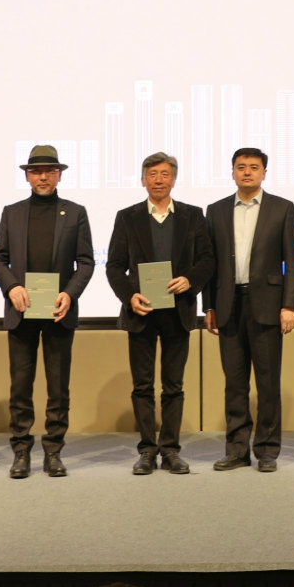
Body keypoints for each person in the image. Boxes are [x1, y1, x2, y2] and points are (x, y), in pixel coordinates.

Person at [105, 152, 215, 475]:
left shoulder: (193, 215)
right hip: (141, 312)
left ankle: (170, 450)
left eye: (164, 174)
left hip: (178, 312)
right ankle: (146, 450)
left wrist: (190, 280)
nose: (158, 180)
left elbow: (208, 260)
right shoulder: (127, 217)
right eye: (152, 174)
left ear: (173, 179)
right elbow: (114, 266)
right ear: (143, 180)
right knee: (142, 387)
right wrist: (130, 296)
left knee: (173, 386)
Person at [0, 145, 95, 478]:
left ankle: (53, 452)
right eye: (36, 171)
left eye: (50, 171)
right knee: (20, 387)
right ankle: (21, 452)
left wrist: (69, 294)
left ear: (59, 175)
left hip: (58, 312)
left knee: (58, 388)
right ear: (27, 176)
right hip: (21, 311)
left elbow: (86, 262)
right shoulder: (12, 212)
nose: (43, 177)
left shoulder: (75, 212)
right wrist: (11, 287)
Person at [204, 147, 294, 472]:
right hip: (228, 304)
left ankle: (267, 451)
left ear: (264, 173)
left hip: (269, 306)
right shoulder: (216, 210)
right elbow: (210, 263)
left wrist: (289, 305)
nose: (247, 172)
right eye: (241, 167)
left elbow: (292, 261)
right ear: (232, 172)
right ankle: (236, 450)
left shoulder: (282, 208)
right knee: (235, 383)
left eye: (254, 167)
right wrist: (209, 306)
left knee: (268, 383)